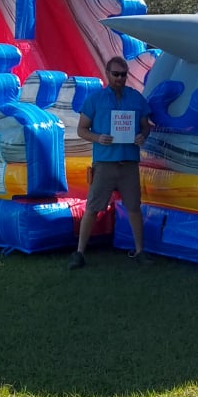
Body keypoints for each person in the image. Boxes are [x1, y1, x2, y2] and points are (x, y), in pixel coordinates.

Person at [68, 56, 152, 268]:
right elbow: (81, 129)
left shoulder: (136, 98)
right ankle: (79, 252)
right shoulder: (95, 99)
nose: (120, 78)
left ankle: (140, 251)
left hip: (129, 163)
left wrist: (142, 136)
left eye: (123, 75)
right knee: (92, 207)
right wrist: (98, 138)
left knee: (134, 207)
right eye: (116, 74)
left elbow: (146, 126)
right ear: (107, 74)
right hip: (105, 163)